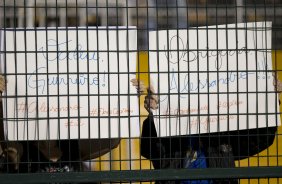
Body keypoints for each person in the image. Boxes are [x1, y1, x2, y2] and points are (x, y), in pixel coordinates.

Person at [132, 77, 280, 184]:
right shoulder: (169, 123)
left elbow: (259, 139)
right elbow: (149, 149)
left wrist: (271, 101)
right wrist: (155, 115)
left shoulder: (222, 126)